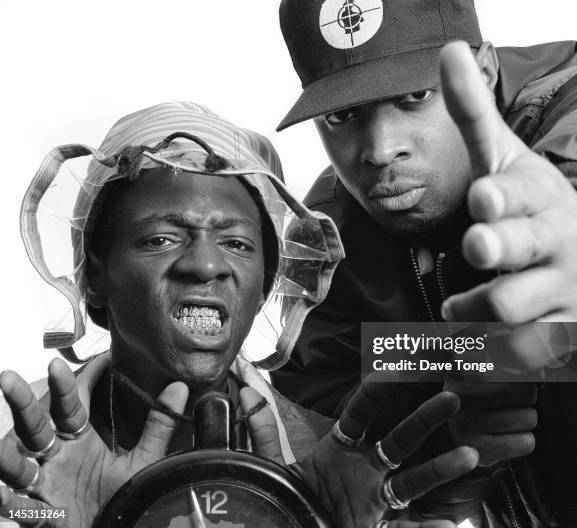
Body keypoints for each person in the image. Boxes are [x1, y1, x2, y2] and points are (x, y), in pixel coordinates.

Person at [0, 102, 480, 528]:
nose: (207, 265)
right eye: (161, 239)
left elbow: (543, 350)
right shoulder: (14, 463)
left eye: (236, 243)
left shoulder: (336, 472)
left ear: (266, 283)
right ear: (93, 276)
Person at [271, 0, 577, 526]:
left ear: (484, 72)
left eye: (415, 97)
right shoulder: (330, 233)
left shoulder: (572, 99)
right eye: (342, 115)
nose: (381, 150)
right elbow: (322, 394)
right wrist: (441, 412)